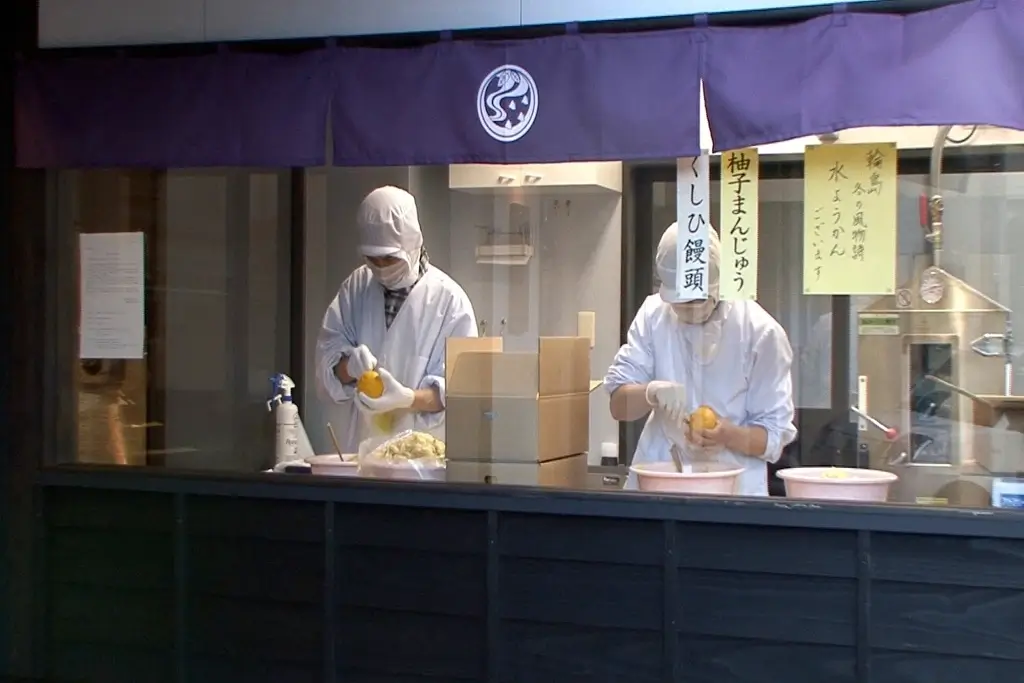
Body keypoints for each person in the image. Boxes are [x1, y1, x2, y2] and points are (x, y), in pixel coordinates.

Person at [604, 223, 796, 495]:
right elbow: (618, 407)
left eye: (700, 300)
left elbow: (774, 438)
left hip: (732, 494)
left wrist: (728, 434)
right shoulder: (653, 316)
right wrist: (650, 393)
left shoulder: (760, 332)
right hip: (659, 482)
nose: (691, 311)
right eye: (681, 303)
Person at [315, 186, 477, 453]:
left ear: (414, 245)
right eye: (373, 259)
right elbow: (326, 370)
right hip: (363, 455)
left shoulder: (450, 302)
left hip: (422, 462)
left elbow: (460, 393)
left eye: (390, 259)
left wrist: (408, 398)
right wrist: (349, 367)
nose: (381, 268)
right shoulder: (355, 288)